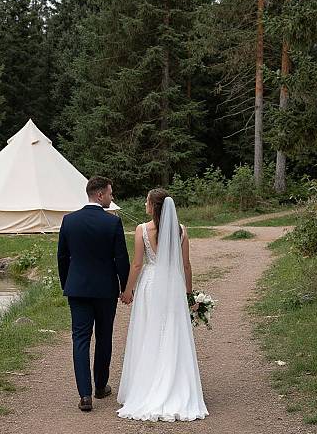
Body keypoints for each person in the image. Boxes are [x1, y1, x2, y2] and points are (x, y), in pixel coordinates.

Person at [117, 188, 208, 422]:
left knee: (149, 330)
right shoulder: (181, 231)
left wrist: (127, 291)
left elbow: (137, 265)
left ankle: (147, 385)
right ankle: (174, 382)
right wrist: (188, 294)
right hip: (173, 285)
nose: (145, 204)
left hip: (150, 283)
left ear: (153, 206)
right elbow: (186, 265)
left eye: (147, 201)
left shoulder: (142, 230)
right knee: (172, 331)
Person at [57, 176, 130, 412]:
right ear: (100, 195)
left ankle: (85, 396)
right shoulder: (112, 223)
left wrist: (67, 283)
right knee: (104, 336)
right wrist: (124, 286)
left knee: (80, 340)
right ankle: (100, 386)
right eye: (110, 193)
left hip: (77, 288)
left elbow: (62, 257)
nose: (112, 197)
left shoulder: (69, 221)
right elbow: (121, 258)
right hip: (105, 290)